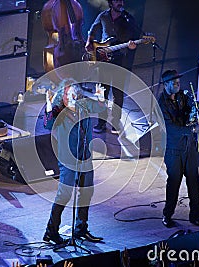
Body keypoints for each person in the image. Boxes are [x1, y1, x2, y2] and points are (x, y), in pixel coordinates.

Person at [42, 80, 106, 244]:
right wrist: (48, 104)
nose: (69, 97)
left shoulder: (83, 107)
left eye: (72, 94)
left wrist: (101, 98)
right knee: (64, 194)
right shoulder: (58, 112)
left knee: (86, 193)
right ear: (61, 96)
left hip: (85, 157)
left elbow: (99, 108)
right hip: (68, 160)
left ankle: (81, 229)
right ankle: (51, 231)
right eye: (65, 94)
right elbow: (48, 124)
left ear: (77, 95)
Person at [157, 70, 199, 228]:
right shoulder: (161, 104)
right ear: (166, 84)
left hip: (188, 146)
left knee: (194, 181)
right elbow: (171, 128)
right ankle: (167, 215)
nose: (177, 84)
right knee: (173, 183)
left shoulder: (182, 96)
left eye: (178, 81)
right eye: (174, 82)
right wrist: (192, 130)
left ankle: (196, 215)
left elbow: (194, 105)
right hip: (173, 149)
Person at [85, 0, 141, 134]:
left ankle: (116, 123)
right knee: (102, 93)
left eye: (121, 0)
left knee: (118, 93)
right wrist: (89, 42)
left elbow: (135, 36)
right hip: (104, 60)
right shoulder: (103, 16)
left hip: (120, 59)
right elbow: (93, 30)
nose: (120, 3)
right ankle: (101, 123)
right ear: (111, 3)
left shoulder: (128, 19)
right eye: (116, 1)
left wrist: (134, 45)